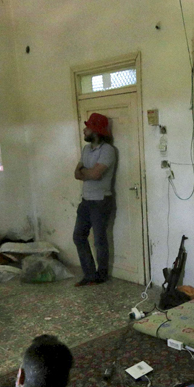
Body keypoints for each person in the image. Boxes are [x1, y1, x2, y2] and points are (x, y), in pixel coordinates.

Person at [72, 113, 117, 287]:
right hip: (86, 200)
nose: (84, 130)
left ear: (96, 131)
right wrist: (87, 173)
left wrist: (86, 172)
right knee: (78, 236)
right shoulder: (86, 150)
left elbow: (97, 174)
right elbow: (77, 173)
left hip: (100, 201)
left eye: (88, 127)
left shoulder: (107, 150)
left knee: (99, 240)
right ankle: (89, 274)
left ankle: (102, 275)